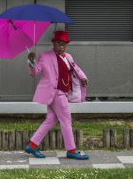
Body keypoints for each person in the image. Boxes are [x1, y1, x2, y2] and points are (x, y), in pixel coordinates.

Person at [24, 30, 89, 160]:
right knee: (66, 120)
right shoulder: (45, 56)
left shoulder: (68, 57)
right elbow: (35, 72)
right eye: (59, 43)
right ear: (53, 44)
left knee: (51, 120)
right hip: (55, 93)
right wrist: (31, 61)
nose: (61, 46)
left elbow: (76, 68)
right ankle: (71, 150)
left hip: (64, 92)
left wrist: (83, 77)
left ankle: (32, 145)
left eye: (64, 44)